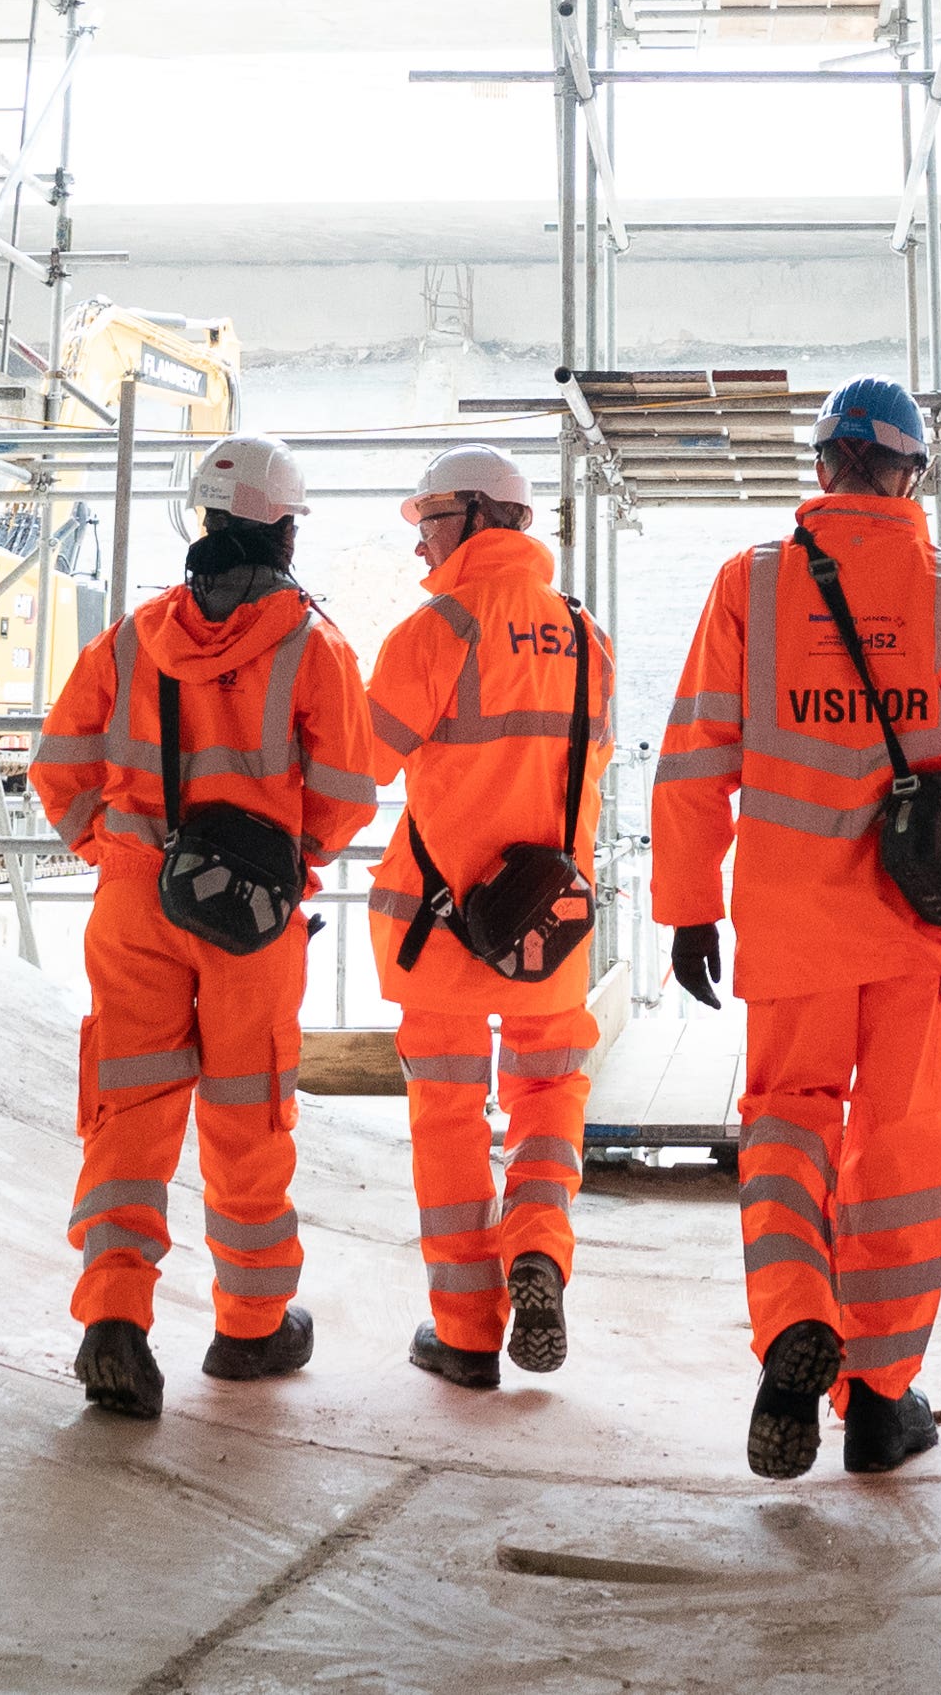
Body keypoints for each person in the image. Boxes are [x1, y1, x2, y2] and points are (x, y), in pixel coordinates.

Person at [651, 373, 941, 1480]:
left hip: (789, 922)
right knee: (904, 1143)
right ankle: (878, 1398)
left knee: (788, 1121)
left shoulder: (752, 583)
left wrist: (688, 904)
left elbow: (695, 756)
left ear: (823, 464)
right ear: (910, 471)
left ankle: (792, 1321)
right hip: (917, 926)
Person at [26, 432, 383, 1418]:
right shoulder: (313, 646)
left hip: (136, 904)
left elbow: (58, 769)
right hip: (252, 917)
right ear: (284, 527)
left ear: (207, 519)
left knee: (126, 1114)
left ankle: (112, 1321)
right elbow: (350, 794)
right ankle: (251, 1328)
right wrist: (287, 859)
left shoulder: (133, 637)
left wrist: (123, 857)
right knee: (246, 1117)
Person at [358, 444, 610, 1390]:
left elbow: (356, 768)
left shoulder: (432, 631)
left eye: (428, 519)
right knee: (552, 1102)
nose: (420, 541)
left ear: (469, 516)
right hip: (551, 932)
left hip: (444, 929)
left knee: (451, 1121)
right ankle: (538, 1247)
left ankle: (466, 1331)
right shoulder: (588, 637)